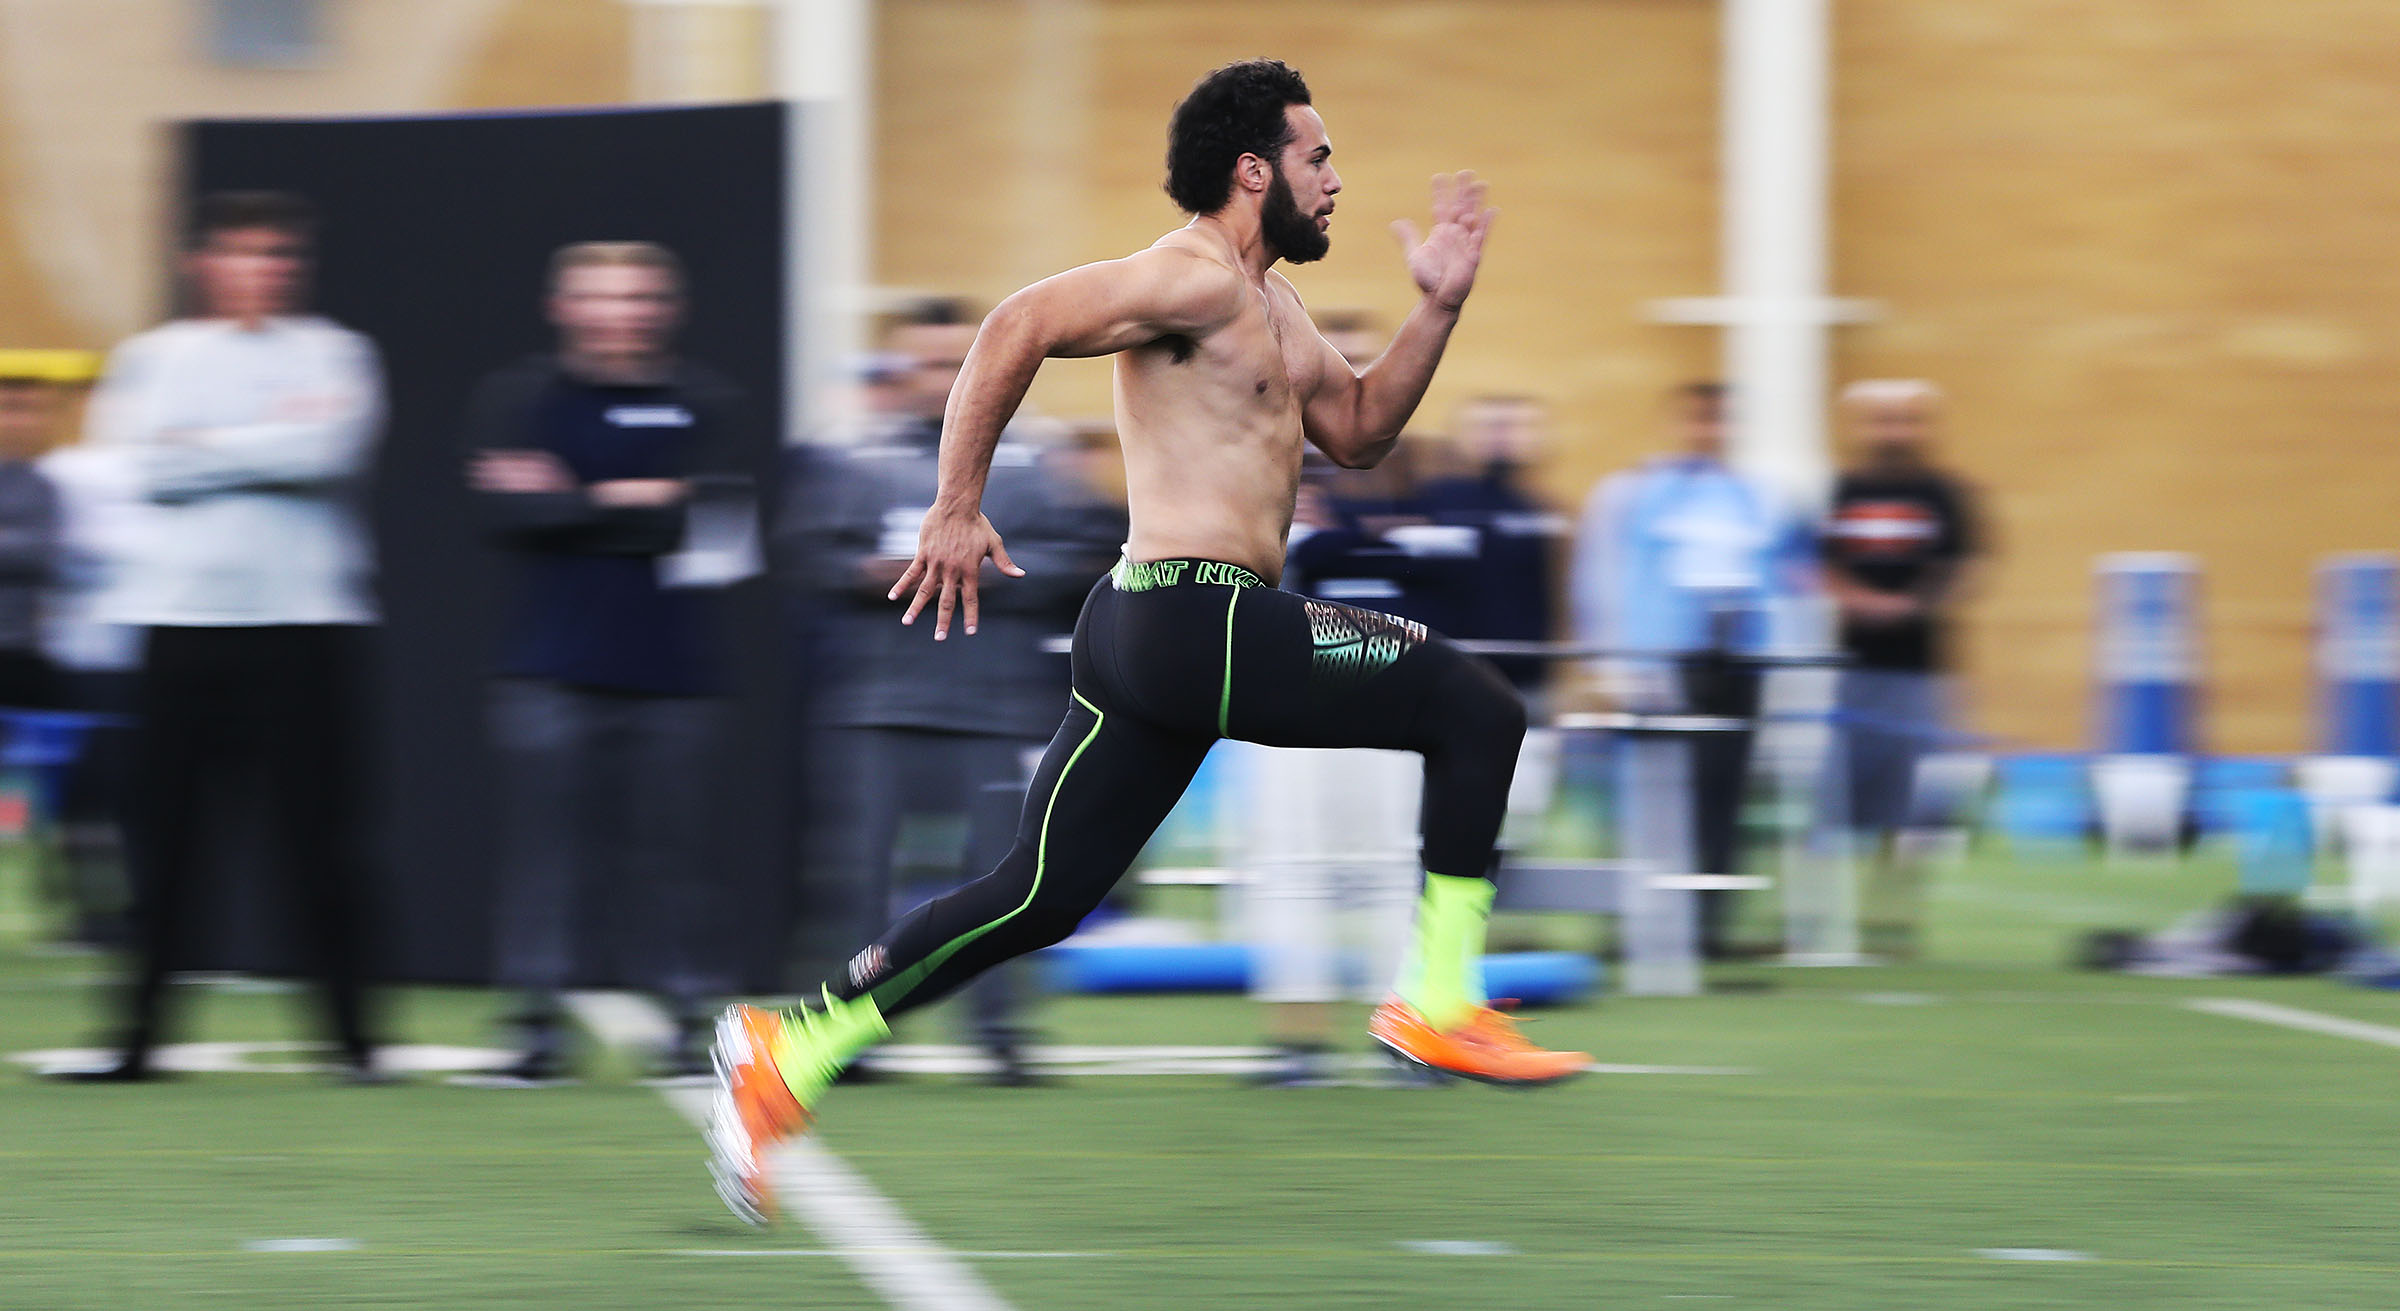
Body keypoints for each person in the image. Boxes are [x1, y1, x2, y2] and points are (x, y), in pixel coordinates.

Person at [707, 58, 1584, 1225]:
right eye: (1319, 160)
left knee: (1035, 898)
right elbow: (1018, 324)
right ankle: (1435, 1000)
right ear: (1253, 169)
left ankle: (791, 1050)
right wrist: (956, 503)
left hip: (1143, 633)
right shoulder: (1189, 276)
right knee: (1478, 709)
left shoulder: (1270, 306)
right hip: (1192, 617)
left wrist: (1441, 307)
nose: (1334, 184)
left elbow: (1363, 431)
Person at [52, 191, 383, 1083]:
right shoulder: (151, 358)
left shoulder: (340, 352)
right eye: (244, 252)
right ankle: (137, 1044)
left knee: (320, 843)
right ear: (204, 262)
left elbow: (325, 455)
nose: (263, 269)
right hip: (180, 626)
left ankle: (353, 1046)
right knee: (164, 848)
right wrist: (271, 436)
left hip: (306, 626)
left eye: (279, 254)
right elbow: (146, 467)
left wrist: (208, 445)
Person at [786, 298, 1123, 1085]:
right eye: (925, 362)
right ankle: (846, 1037)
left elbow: (1077, 559)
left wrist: (970, 559)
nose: (940, 378)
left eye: (954, 362)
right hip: (876, 706)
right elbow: (809, 556)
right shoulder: (854, 463)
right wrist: (869, 574)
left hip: (989, 706)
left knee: (1002, 882)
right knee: (861, 878)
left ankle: (1001, 1032)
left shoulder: (1029, 462)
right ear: (896, 370)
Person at [465, 241, 756, 1083]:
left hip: (677, 674)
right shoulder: (518, 399)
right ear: (564, 307)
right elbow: (506, 512)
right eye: (599, 296)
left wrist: (573, 499)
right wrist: (634, 498)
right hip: (548, 670)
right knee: (542, 860)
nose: (618, 312)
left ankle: (685, 1021)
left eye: (636, 297)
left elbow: (722, 531)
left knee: (676, 859)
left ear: (663, 309)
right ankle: (533, 1031)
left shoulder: (706, 402)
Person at [1571, 382, 1815, 956]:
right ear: (1677, 424)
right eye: (1700, 420)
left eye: (1721, 421)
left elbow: (1784, 579)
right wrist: (1610, 663)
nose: (1710, 432)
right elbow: (1600, 577)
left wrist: (1781, 648)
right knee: (1650, 792)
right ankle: (1639, 923)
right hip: (1661, 663)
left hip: (1738, 663)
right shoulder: (1634, 494)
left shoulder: (1758, 497)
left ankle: (1710, 926)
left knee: (1724, 795)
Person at [1821, 379, 1981, 957]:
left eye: (1905, 421)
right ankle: (1836, 913)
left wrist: (1913, 605)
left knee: (1915, 806)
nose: (1894, 432)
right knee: (1844, 798)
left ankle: (1893, 914)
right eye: (1882, 421)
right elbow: (1817, 565)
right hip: (1851, 673)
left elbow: (1964, 566)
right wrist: (1858, 601)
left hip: (1922, 673)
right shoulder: (1841, 490)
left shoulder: (1945, 493)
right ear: (1864, 426)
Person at [1412, 394, 1568, 695]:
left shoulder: (1541, 510)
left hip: (1526, 674)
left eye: (1515, 427)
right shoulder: (1429, 503)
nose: (1503, 438)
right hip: (1444, 671)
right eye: (1492, 427)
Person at [0, 376, 62, 708]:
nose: (17, 422)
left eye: (27, 410)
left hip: (16, 648)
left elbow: (38, 553)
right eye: (8, 409)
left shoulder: (39, 484)